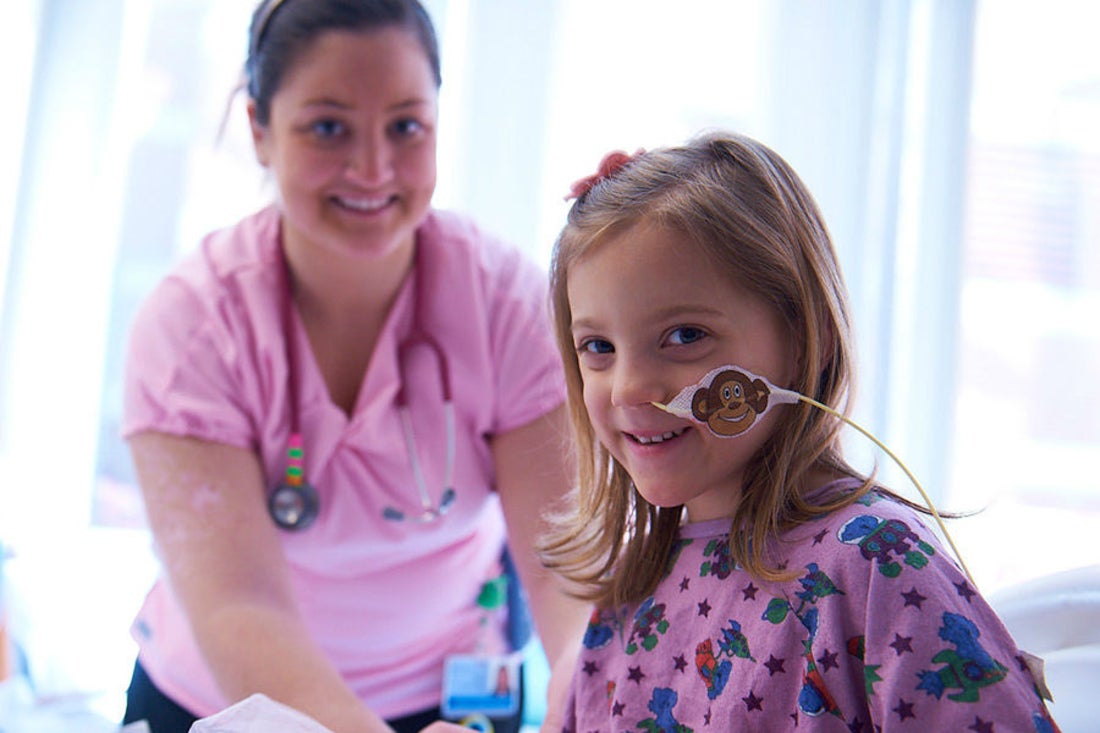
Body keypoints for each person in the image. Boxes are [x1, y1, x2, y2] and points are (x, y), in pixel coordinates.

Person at [119, 1, 587, 732]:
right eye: (328, 126)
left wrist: (591, 687)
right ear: (259, 131)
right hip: (229, 702)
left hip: (450, 701)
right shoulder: (191, 327)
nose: (373, 168)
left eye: (406, 126)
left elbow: (567, 567)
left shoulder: (506, 304)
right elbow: (241, 605)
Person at [535, 132, 1061, 731]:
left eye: (684, 336)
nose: (628, 388)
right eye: (598, 347)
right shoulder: (628, 592)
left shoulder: (876, 567)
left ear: (805, 337)